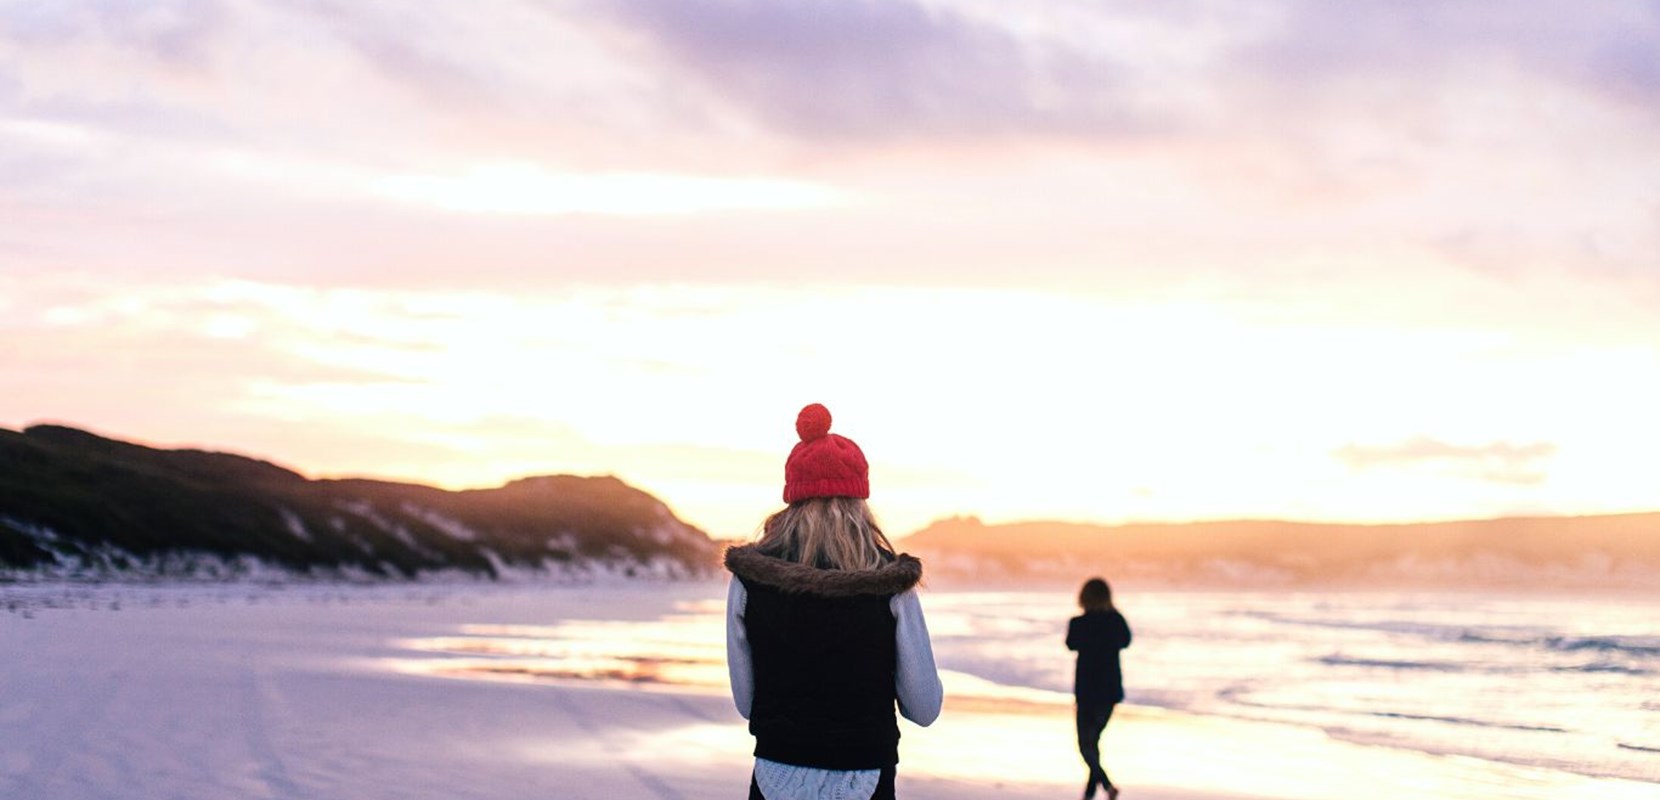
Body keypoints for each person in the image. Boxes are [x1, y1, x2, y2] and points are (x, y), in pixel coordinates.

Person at [725, 403, 943, 800]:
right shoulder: (891, 583)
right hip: (865, 775)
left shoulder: (749, 581)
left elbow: (746, 702)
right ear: (859, 500)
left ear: (792, 497)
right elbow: (924, 708)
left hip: (776, 774)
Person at [1067, 577, 1132, 800]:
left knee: (1086, 744)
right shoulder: (1116, 621)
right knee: (1092, 742)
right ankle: (1096, 790)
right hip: (1109, 691)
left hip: (1086, 691)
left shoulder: (1079, 623)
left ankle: (1100, 788)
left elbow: (1070, 643)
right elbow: (1126, 641)